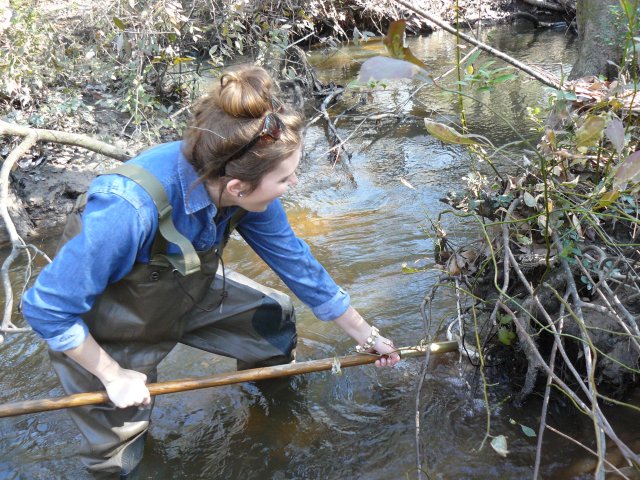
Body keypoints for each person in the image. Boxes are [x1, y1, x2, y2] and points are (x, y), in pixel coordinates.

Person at [21, 64, 400, 477]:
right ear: (237, 188)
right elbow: (46, 310)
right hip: (108, 325)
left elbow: (296, 262)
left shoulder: (241, 182)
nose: (293, 187)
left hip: (186, 290)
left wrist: (367, 335)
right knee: (122, 458)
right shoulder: (125, 208)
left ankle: (270, 416)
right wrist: (112, 375)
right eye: (287, 179)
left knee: (273, 320)